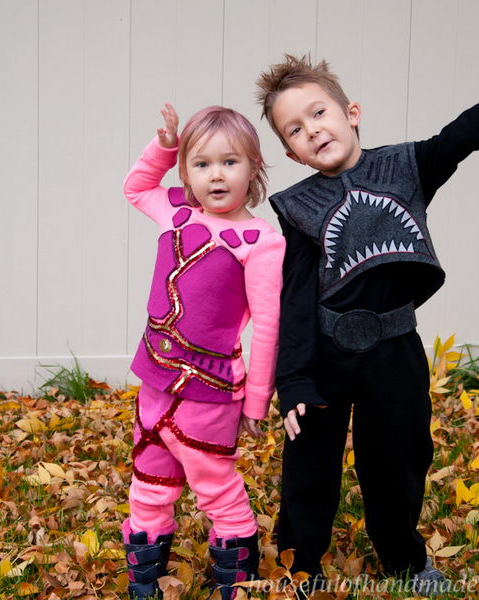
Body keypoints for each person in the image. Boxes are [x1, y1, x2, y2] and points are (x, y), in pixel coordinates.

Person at [255, 19, 479, 597]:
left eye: (319, 114)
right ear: (291, 152)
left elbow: (468, 132)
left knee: (399, 460)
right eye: (296, 130)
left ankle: (404, 559)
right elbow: (293, 301)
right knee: (309, 469)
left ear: (350, 111)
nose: (313, 130)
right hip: (325, 354)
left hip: (392, 348)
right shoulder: (296, 207)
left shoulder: (409, 166)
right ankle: (299, 563)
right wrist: (295, 381)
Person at [121, 104, 286, 600]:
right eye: (201, 164)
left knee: (214, 483)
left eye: (230, 162)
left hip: (209, 392)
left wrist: (256, 402)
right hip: (154, 382)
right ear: (186, 172)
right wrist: (164, 147)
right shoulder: (175, 210)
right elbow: (134, 188)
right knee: (150, 478)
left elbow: (269, 328)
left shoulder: (261, 242)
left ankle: (234, 578)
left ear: (254, 167)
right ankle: (145, 578)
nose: (216, 175)